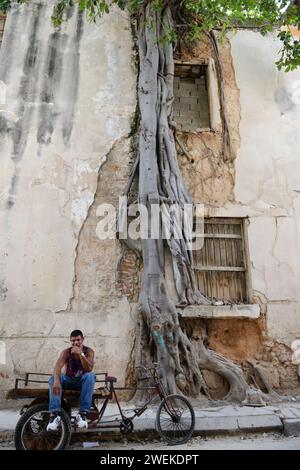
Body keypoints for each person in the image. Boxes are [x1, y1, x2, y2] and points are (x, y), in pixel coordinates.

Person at [47, 329, 96, 431]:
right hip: (68, 380)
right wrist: (56, 380)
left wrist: (81, 354)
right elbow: (58, 366)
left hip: (81, 382)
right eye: (73, 341)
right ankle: (55, 415)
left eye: (78, 340)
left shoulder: (89, 351)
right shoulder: (66, 352)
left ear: (82, 339)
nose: (75, 343)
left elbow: (89, 368)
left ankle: (82, 414)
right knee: (53, 378)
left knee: (90, 376)